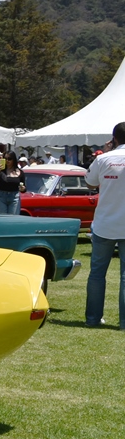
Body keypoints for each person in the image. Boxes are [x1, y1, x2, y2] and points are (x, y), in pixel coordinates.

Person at [85, 122, 125, 328]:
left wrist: (105, 154)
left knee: (97, 274)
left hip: (104, 223)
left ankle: (92, 319)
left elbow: (90, 183)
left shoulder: (103, 158)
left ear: (114, 138)